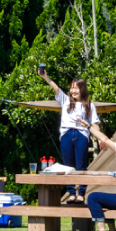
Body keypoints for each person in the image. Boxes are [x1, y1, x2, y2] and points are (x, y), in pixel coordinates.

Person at [38, 70, 100, 202]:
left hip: (81, 135)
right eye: (71, 88)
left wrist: (101, 139)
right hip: (66, 134)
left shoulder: (90, 105)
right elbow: (55, 87)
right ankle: (71, 193)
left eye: (76, 88)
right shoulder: (65, 99)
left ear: (82, 89)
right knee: (68, 165)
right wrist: (45, 77)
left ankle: (81, 194)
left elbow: (94, 123)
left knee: (82, 166)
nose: (73, 91)